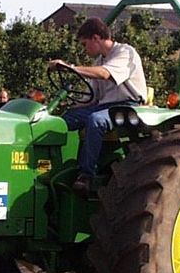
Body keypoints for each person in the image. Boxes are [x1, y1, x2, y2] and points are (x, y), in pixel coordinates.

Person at [48, 17, 147, 195]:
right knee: (64, 120)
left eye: (85, 44)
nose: (84, 49)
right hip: (104, 105)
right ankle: (52, 168)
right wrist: (71, 106)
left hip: (128, 107)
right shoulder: (99, 61)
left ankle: (86, 175)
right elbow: (93, 98)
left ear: (96, 38)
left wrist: (69, 67)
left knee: (96, 120)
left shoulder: (125, 52)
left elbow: (104, 74)